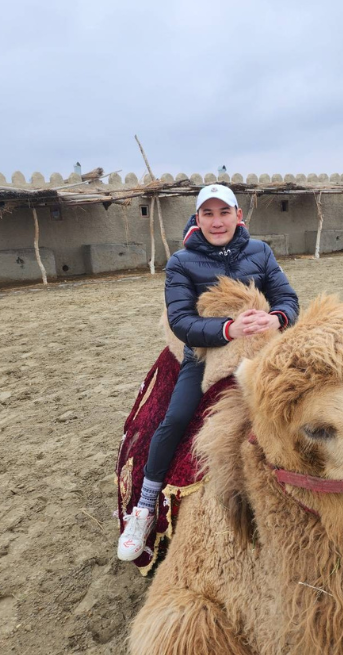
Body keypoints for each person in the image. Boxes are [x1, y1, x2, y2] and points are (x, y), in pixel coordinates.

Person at [118, 184, 300, 561]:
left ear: (238, 215)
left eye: (224, 212)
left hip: (260, 346)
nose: (217, 222)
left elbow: (288, 300)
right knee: (176, 418)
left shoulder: (261, 251)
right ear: (197, 219)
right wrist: (228, 329)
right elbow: (181, 320)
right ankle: (145, 506)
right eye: (208, 214)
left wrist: (274, 317)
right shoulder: (182, 262)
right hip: (205, 352)